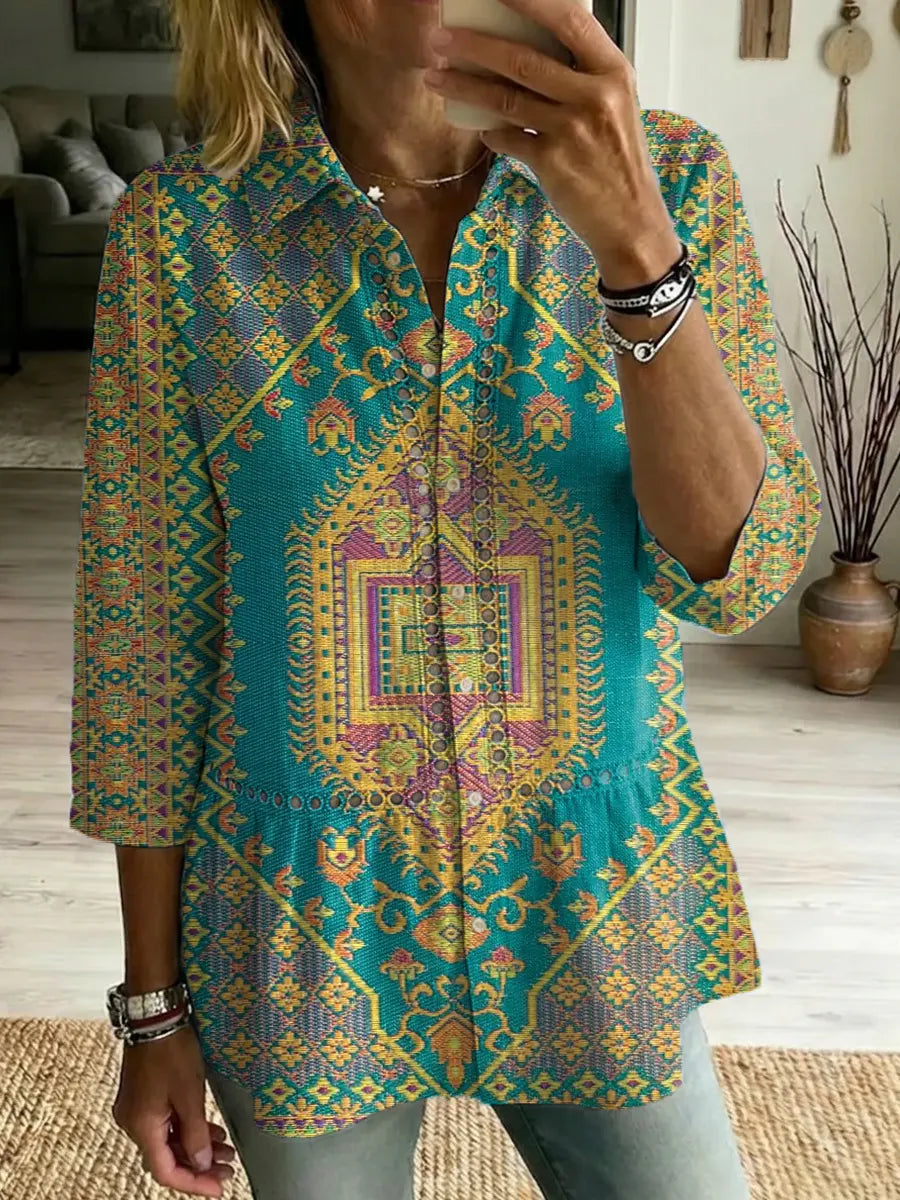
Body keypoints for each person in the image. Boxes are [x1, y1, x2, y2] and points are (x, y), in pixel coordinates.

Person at [68, 0, 822, 1197]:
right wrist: (153, 1009)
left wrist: (636, 249)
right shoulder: (186, 236)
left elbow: (743, 571)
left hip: (596, 901)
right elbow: (144, 653)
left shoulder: (670, 179)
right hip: (305, 931)